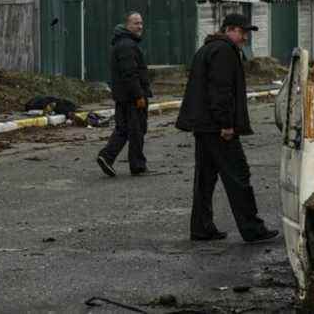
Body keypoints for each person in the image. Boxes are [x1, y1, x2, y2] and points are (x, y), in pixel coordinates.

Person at [176, 14, 279, 243]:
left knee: (205, 178)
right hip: (217, 127)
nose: (244, 38)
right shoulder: (224, 51)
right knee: (238, 175)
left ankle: (201, 228)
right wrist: (226, 124)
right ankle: (252, 228)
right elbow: (221, 91)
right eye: (242, 33)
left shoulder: (208, 49)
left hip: (204, 126)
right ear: (229, 29)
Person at [97, 12, 153, 177]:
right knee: (137, 130)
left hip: (123, 96)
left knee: (123, 129)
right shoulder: (127, 45)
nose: (140, 26)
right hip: (131, 97)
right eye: (136, 23)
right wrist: (139, 96)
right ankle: (137, 165)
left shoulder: (123, 43)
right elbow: (130, 73)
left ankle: (106, 157)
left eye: (141, 23)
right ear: (127, 25)